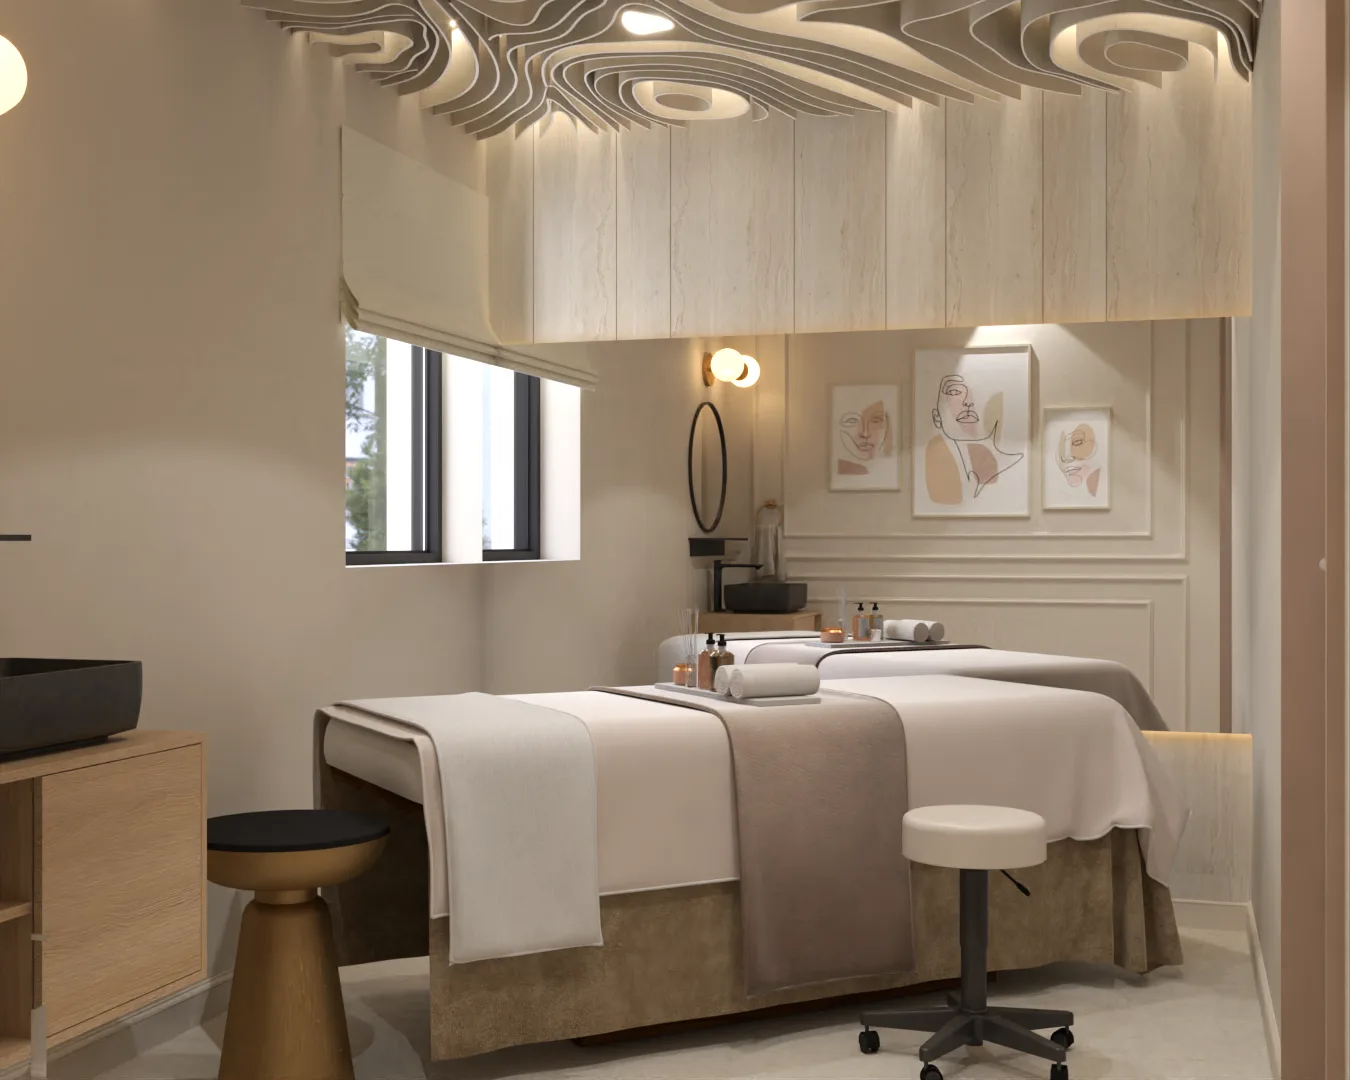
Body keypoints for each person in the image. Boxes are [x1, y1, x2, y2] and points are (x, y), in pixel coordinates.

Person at [924, 373, 1023, 503]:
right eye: (955, 394)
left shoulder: (993, 436)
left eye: (969, 395)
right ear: (938, 415)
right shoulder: (939, 450)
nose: (967, 402)